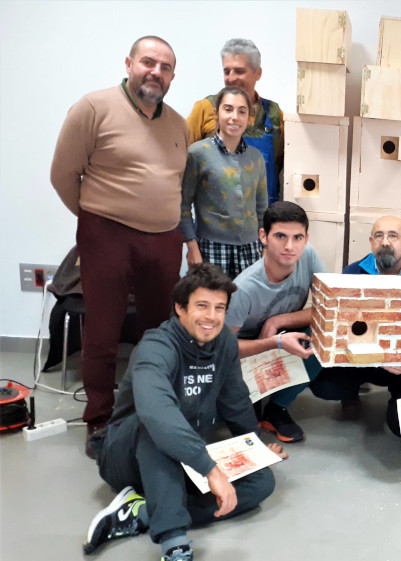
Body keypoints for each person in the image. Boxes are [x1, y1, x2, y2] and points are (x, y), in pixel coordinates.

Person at [83, 264, 287, 561]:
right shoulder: (156, 346)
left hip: (185, 455)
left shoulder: (225, 343)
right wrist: (208, 468)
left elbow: (235, 400)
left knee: (261, 484)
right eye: (202, 306)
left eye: (220, 308)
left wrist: (255, 447)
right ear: (180, 307)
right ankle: (174, 543)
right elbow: (157, 413)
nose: (212, 317)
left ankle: (141, 512)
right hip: (127, 455)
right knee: (159, 426)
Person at [50, 36, 189, 457]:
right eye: (148, 62)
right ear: (129, 62)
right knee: (104, 330)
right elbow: (62, 175)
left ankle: (145, 410)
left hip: (165, 240)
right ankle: (99, 420)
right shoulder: (93, 108)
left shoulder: (178, 123)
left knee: (157, 333)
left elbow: (175, 185)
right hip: (106, 234)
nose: (156, 72)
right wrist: (96, 221)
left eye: (165, 67)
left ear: (172, 77)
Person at [310, 215, 401, 420]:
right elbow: (341, 328)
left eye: (393, 236)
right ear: (371, 243)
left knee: (400, 418)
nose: (385, 242)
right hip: (363, 360)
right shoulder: (353, 272)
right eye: (379, 236)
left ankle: (397, 399)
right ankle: (350, 395)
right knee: (325, 386)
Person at [226, 201, 325, 443]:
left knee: (326, 330)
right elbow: (223, 349)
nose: (290, 246)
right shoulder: (244, 288)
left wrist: (278, 320)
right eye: (280, 236)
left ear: (306, 238)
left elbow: (329, 309)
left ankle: (277, 407)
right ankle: (249, 398)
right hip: (245, 347)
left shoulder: (308, 255)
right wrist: (273, 342)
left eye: (297, 237)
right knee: (242, 429)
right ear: (264, 236)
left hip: (282, 333)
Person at [180, 87, 267, 278]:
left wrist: (264, 247)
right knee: (212, 304)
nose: (235, 117)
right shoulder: (198, 153)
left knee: (245, 306)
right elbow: (183, 205)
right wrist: (192, 247)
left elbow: (261, 208)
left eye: (242, 111)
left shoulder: (256, 158)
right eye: (228, 109)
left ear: (249, 118)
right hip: (210, 249)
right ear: (216, 113)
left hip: (251, 251)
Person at [186, 38, 283, 205]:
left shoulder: (274, 114)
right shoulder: (206, 109)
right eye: (227, 71)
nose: (231, 78)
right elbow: (183, 163)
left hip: (262, 219)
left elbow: (281, 166)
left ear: (258, 73)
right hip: (214, 218)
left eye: (239, 71)